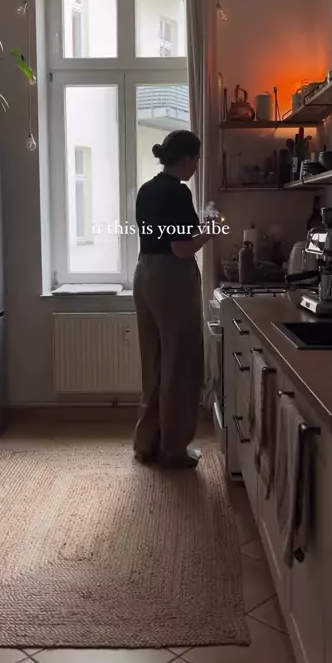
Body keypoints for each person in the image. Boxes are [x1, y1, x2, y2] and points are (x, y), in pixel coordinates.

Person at [133, 129, 215, 469]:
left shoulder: (146, 189)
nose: (196, 166)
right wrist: (209, 230)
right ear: (186, 159)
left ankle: (147, 443)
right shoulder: (178, 193)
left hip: (144, 274)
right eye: (196, 159)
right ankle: (174, 448)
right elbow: (182, 248)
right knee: (180, 363)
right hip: (172, 279)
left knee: (154, 363)